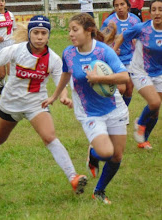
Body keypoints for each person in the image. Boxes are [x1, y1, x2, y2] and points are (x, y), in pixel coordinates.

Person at [0, 15, 88, 195]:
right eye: (35, 32)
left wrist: (64, 96)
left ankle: (73, 177)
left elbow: (62, 82)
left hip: (37, 103)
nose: (39, 37)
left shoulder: (53, 59)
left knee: (49, 137)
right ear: (29, 34)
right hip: (10, 103)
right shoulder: (15, 50)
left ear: (48, 36)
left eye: (43, 33)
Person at [42, 13, 129, 204]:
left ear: (88, 31)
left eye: (75, 30)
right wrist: (54, 96)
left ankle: (99, 191)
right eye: (69, 30)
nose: (70, 34)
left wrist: (100, 79)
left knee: (117, 156)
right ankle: (93, 155)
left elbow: (124, 77)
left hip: (114, 108)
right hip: (89, 112)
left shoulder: (104, 51)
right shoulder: (68, 53)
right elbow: (66, 73)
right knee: (106, 152)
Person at [113, 0, 162, 149]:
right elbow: (122, 36)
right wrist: (114, 52)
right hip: (140, 70)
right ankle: (139, 123)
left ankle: (144, 139)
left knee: (155, 110)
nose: (157, 13)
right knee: (154, 103)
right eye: (154, 10)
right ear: (150, 12)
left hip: (159, 72)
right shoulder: (143, 28)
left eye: (160, 9)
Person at [101, 0, 141, 107]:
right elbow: (102, 41)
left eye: (122, 4)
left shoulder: (135, 20)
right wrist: (111, 49)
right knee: (121, 88)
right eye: (116, 5)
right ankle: (114, 109)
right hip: (117, 58)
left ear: (128, 6)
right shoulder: (110, 22)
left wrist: (137, 42)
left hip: (132, 58)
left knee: (129, 90)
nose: (119, 8)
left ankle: (123, 112)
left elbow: (141, 37)